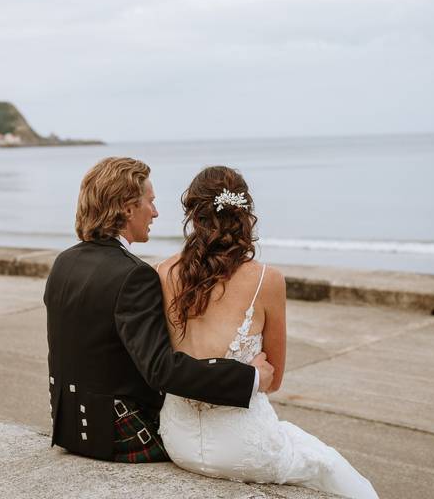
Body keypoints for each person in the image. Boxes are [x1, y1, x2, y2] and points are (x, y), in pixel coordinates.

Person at [156, 166, 378, 498]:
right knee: (333, 469)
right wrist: (252, 373)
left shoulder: (162, 271)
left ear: (194, 214)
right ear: (245, 215)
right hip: (243, 449)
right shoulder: (267, 280)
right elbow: (273, 379)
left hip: (178, 440)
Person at [43, 157, 274, 463]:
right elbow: (161, 370)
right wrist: (249, 378)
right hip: (120, 434)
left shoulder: (64, 263)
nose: (155, 212)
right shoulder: (133, 275)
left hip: (69, 428)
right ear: (127, 208)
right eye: (149, 202)